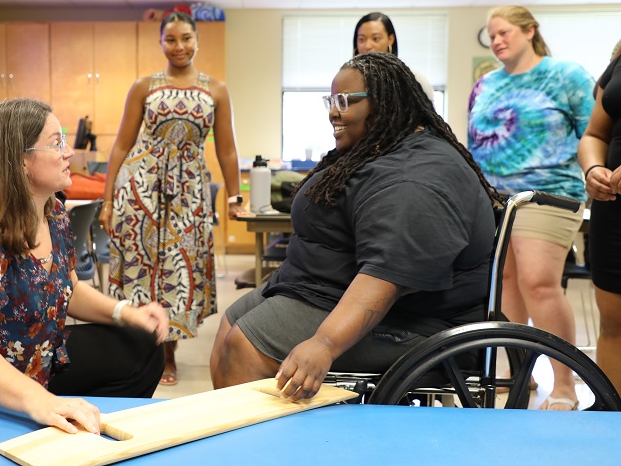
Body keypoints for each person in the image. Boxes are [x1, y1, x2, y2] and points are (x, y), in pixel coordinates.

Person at [210, 52, 497, 399]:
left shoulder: (414, 178)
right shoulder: (377, 148)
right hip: (323, 288)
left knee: (244, 346)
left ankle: (265, 452)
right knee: (229, 324)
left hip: (414, 323)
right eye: (331, 100)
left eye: (345, 101)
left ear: (387, 102)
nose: (333, 111)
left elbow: (387, 277)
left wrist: (325, 343)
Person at [0, 98, 169, 435]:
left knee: (142, 346)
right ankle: (42, 420)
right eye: (57, 143)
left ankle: (72, 431)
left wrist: (126, 312)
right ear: (21, 161)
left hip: (31, 363)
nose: (68, 153)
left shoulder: (53, 214)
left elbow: (67, 290)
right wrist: (40, 401)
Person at [99, 11, 244, 387]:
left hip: (189, 193)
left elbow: (227, 150)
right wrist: (108, 199)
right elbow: (120, 144)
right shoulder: (144, 86)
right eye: (171, 40)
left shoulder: (216, 90)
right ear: (161, 43)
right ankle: (138, 348)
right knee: (141, 269)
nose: (179, 47)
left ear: (197, 41)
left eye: (186, 39)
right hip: (140, 190)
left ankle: (167, 353)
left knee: (179, 272)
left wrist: (234, 195)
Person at [468, 5, 594, 410]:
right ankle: (516, 374)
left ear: (529, 31)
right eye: (492, 36)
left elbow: (594, 133)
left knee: (539, 283)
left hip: (550, 193)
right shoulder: (486, 84)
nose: (498, 41)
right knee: (503, 284)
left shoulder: (566, 76)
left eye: (504, 32)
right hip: (494, 197)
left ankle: (565, 384)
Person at [578, 37, 621, 393]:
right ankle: (611, 423)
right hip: (614, 208)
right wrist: (593, 168)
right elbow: (595, 134)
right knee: (614, 325)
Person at [352, 11, 434, 100]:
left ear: (390, 39)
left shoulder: (413, 78)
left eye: (376, 38)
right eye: (361, 39)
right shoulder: (349, 80)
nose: (367, 46)